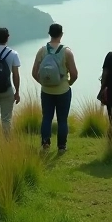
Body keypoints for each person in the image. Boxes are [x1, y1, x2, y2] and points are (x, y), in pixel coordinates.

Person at [32, 23, 78, 153]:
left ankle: (45, 144)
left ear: (49, 34)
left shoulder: (42, 50)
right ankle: (62, 147)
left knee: (47, 118)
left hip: (46, 91)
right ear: (61, 34)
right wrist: (68, 83)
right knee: (62, 120)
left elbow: (34, 73)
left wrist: (43, 83)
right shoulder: (67, 52)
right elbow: (74, 74)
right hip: (63, 90)